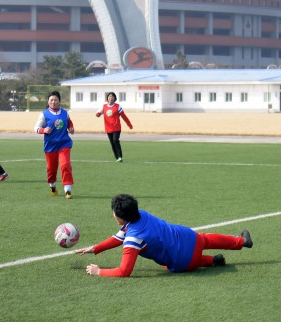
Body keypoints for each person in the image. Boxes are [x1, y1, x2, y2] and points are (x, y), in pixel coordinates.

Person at [76, 193, 253, 277]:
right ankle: (241, 242)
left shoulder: (132, 238)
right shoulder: (141, 214)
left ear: (121, 217)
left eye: (114, 212)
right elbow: (118, 237)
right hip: (189, 237)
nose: (113, 214)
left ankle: (209, 261)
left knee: (178, 262)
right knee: (206, 239)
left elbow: (124, 271)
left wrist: (98, 271)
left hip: (183, 261)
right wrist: (95, 248)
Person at [34, 90, 75, 198]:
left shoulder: (65, 113)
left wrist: (71, 128)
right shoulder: (44, 114)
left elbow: (69, 123)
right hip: (50, 145)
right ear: (48, 102)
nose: (53, 102)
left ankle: (67, 189)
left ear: (59, 101)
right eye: (51, 100)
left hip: (64, 143)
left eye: (55, 100)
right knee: (51, 169)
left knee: (65, 165)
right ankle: (52, 185)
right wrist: (44, 130)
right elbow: (36, 128)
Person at [95, 91, 133, 162]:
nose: (110, 98)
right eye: (109, 96)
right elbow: (98, 113)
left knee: (115, 140)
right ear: (107, 98)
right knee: (112, 143)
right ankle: (117, 157)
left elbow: (124, 116)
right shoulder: (104, 106)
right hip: (108, 128)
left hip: (116, 127)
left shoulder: (118, 106)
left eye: (112, 97)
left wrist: (129, 124)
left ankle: (120, 156)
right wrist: (98, 114)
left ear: (115, 98)